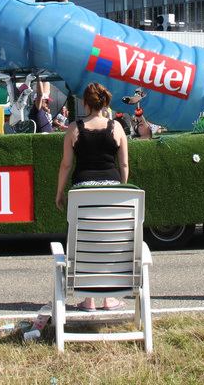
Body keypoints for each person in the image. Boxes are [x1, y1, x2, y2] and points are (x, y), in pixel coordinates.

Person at [56, 83, 130, 312]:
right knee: (109, 240)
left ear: (84, 103)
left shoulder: (74, 128)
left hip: (82, 191)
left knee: (84, 243)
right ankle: (109, 298)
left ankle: (89, 299)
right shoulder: (116, 127)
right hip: (111, 192)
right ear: (104, 102)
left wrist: (60, 191)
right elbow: (124, 164)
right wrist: (121, 188)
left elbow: (66, 164)